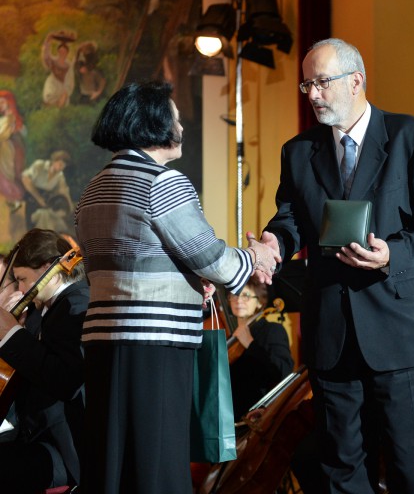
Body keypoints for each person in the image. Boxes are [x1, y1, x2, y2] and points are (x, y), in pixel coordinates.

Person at [257, 38, 414, 493]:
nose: (311, 93)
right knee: (341, 471)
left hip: (399, 329)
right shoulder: (298, 151)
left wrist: (392, 254)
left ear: (356, 80)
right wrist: (273, 243)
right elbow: (290, 219)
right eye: (306, 84)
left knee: (411, 467)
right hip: (332, 330)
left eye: (321, 82)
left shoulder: (412, 137)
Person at [74, 80, 279, 494]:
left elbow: (118, 262)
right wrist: (256, 258)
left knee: (113, 466)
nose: (181, 126)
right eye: (176, 117)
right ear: (153, 122)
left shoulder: (94, 187)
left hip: (102, 341)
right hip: (156, 342)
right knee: (158, 466)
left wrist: (187, 280)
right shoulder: (163, 181)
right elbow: (209, 257)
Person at [0, 228, 88, 493]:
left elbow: (65, 381)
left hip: (63, 447)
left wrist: (13, 335)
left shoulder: (77, 305)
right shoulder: (44, 309)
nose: (22, 289)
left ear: (49, 267)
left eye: (23, 279)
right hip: (33, 435)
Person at [227, 278, 294, 420]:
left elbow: (284, 373)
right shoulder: (231, 339)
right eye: (234, 295)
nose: (238, 300)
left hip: (256, 416)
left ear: (260, 301)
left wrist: (250, 344)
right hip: (229, 415)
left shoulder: (271, 330)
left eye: (245, 295)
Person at [21, 149, 75, 232]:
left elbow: (64, 191)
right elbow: (25, 179)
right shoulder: (39, 166)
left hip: (45, 203)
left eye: (63, 166)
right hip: (30, 200)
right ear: (54, 161)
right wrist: (38, 198)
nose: (61, 168)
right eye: (60, 164)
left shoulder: (60, 176)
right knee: (43, 216)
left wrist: (70, 206)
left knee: (51, 215)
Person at [0, 91, 26, 208]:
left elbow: (3, 134)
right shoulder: (4, 117)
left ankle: (15, 199)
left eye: (2, 102)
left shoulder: (10, 117)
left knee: (6, 174)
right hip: (3, 147)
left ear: (8, 103)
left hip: (5, 148)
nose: (0, 105)